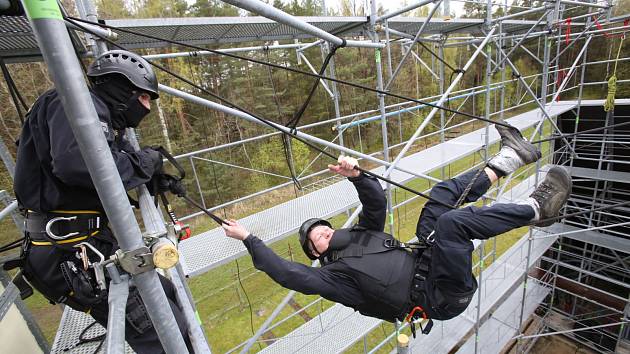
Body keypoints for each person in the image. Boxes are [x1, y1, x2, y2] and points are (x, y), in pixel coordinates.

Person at [223, 122, 572, 327]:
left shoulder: (361, 235)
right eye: (316, 238)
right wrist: (248, 238)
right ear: (316, 253)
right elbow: (289, 274)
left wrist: (357, 175)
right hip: (441, 297)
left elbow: (375, 201)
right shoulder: (333, 278)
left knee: (440, 198)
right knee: (452, 224)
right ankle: (537, 209)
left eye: (323, 227)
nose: (322, 232)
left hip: (431, 262)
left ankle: (509, 158)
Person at [12, 50, 189, 353]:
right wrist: (145, 163)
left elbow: (108, 160)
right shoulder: (73, 105)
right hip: (72, 250)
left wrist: (146, 173)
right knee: (164, 337)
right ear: (123, 91)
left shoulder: (93, 115)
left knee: (172, 302)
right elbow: (79, 165)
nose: (146, 107)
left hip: (88, 242)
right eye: (145, 98)